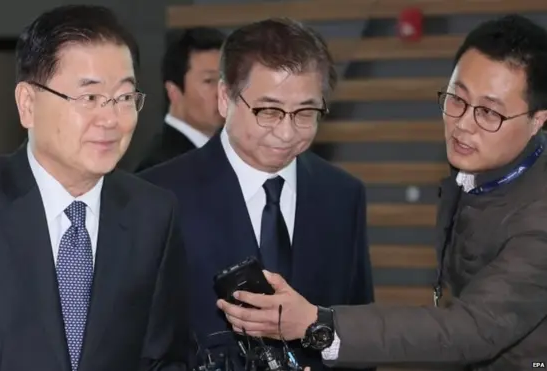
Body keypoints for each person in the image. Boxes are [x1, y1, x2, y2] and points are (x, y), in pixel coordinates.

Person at [218, 14, 547, 371]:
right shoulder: (481, 169)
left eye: (489, 112)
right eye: (457, 99)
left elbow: (471, 328)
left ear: (538, 120)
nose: (463, 124)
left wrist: (318, 323)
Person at [0, 5, 189, 371]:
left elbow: (161, 358)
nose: (111, 118)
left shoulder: (153, 213)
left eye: (124, 97)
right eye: (89, 97)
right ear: (27, 104)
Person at [139, 18, 373, 370]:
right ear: (224, 97)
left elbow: (357, 333)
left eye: (306, 112)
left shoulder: (343, 195)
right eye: (269, 111)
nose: (286, 131)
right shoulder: (157, 195)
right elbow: (135, 343)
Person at [137, 27, 226, 171]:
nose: (222, 92)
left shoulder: (224, 152)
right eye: (209, 81)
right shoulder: (160, 166)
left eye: (226, 79)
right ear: (174, 92)